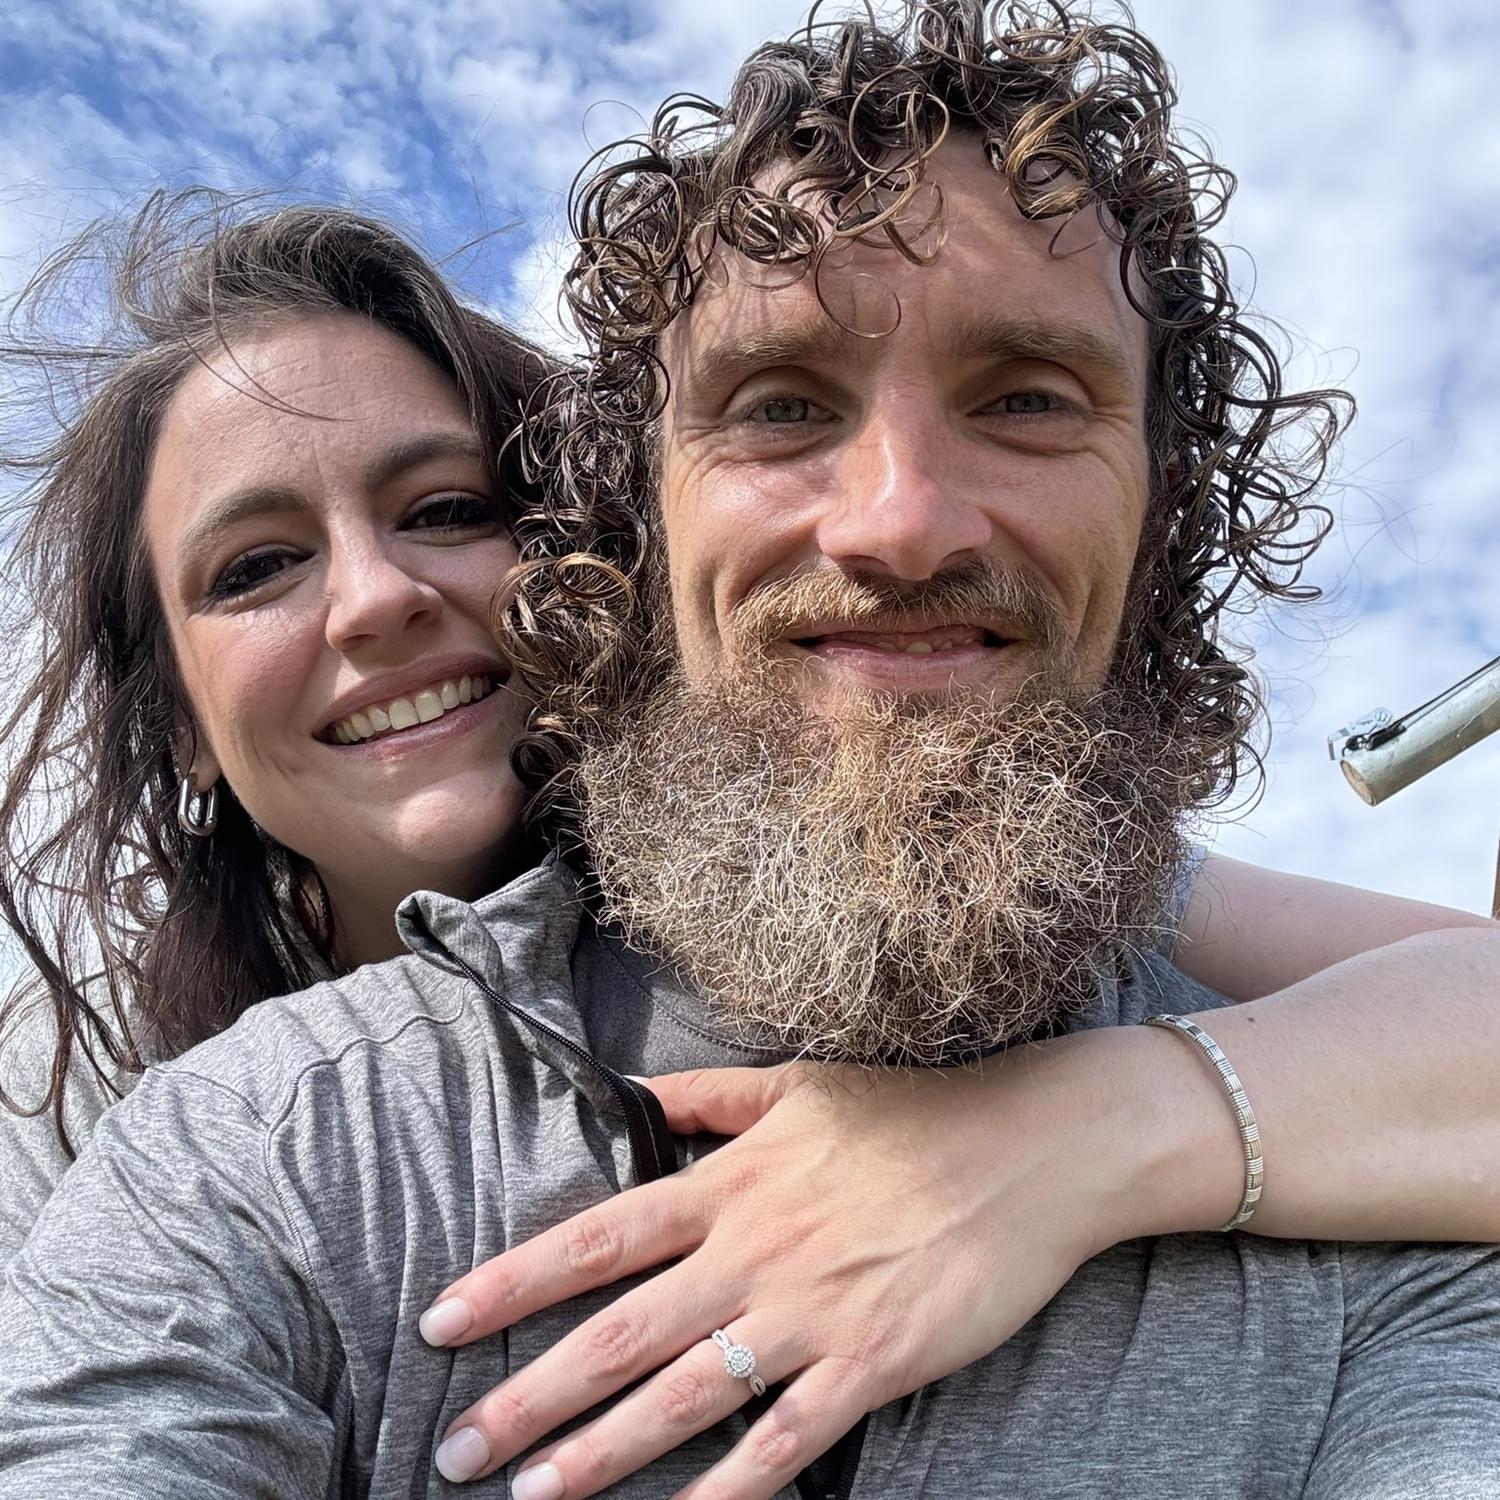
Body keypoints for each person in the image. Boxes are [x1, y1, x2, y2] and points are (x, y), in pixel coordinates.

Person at [2, 11, 1499, 1500]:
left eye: (1028, 399)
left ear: (572, 564)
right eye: (780, 407)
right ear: (639, 527)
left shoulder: (1360, 1193)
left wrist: (1107, 1123)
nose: (899, 521)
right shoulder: (182, 1135)